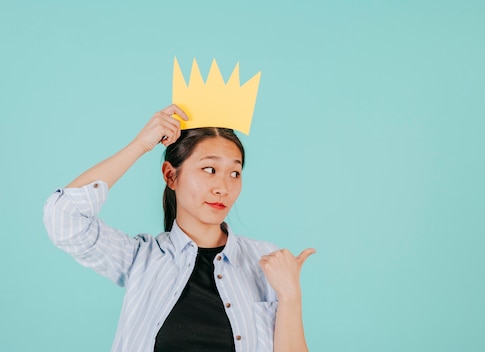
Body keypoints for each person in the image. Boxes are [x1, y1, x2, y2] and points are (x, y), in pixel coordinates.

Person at [43, 104, 314, 352]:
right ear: (170, 175)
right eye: (209, 169)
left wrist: (290, 296)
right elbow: (65, 217)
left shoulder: (265, 261)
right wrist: (139, 145)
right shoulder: (140, 258)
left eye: (235, 173)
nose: (223, 187)